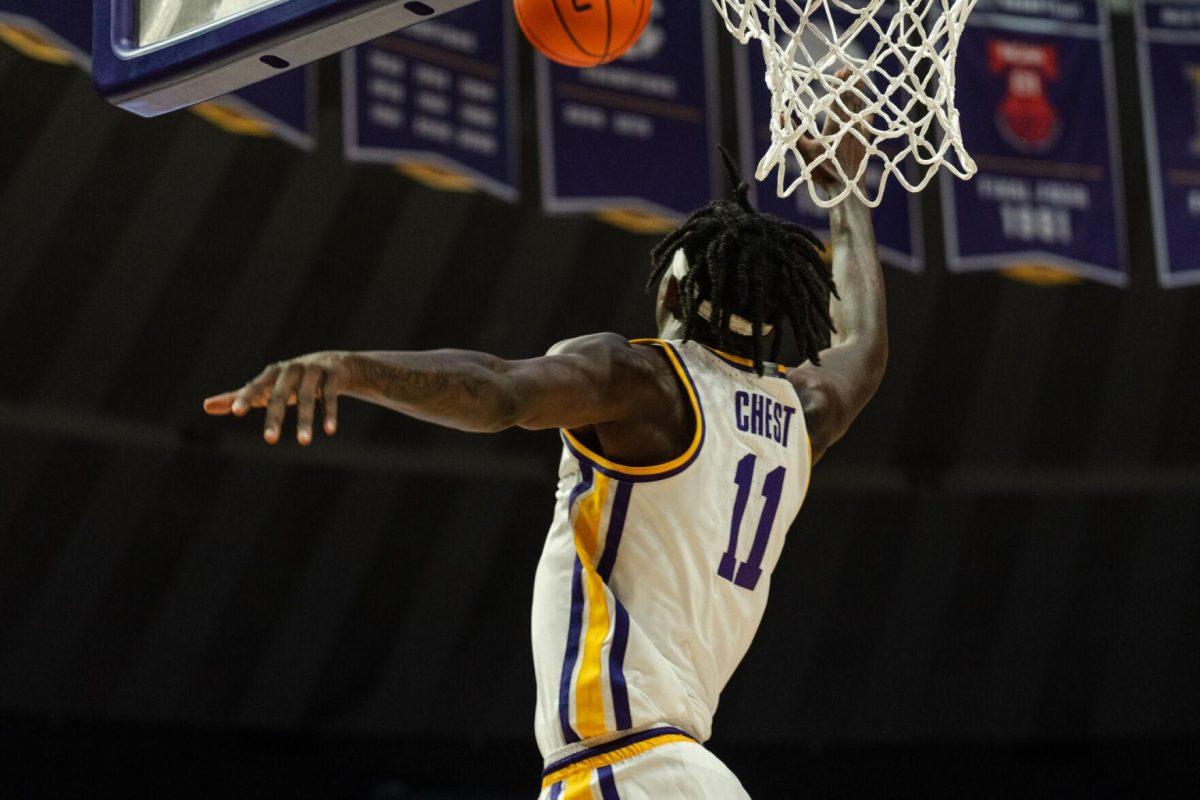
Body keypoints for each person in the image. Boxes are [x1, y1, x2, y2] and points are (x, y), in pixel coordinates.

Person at [204, 72, 886, 799]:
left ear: (674, 293)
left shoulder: (646, 384)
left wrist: (350, 368)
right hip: (680, 770)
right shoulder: (799, 413)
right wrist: (847, 188)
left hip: (628, 766)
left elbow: (498, 390)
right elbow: (865, 346)